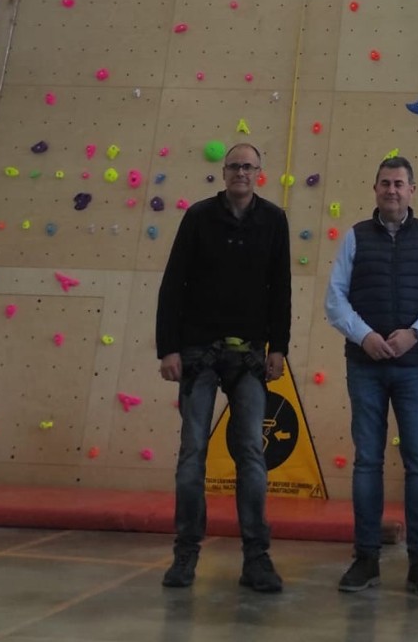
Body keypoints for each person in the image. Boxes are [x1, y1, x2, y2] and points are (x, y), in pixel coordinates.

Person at [156, 142, 291, 593]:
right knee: (192, 454)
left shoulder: (274, 220)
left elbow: (281, 288)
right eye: (234, 166)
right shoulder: (197, 217)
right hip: (198, 353)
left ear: (259, 173)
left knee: (252, 454)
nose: (241, 173)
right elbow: (173, 283)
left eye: (249, 167)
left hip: (250, 355)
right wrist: (168, 349)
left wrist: (279, 347)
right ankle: (185, 555)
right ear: (223, 172)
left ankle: (257, 558)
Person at [325, 156, 418, 598]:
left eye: (400, 183)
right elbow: (335, 298)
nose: (392, 190)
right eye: (385, 183)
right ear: (375, 189)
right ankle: (366, 559)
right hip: (364, 367)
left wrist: (414, 334)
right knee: (367, 462)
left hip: (415, 369)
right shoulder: (355, 237)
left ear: (413, 190)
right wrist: (364, 337)